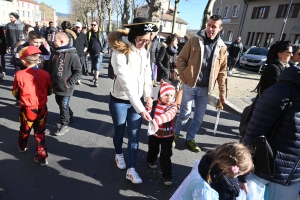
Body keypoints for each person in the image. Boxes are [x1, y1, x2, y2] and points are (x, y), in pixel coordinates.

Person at [108, 17, 157, 184]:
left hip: (138, 102)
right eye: (140, 39)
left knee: (134, 135)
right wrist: (141, 108)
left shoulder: (144, 51)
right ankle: (118, 153)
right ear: (133, 35)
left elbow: (147, 74)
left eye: (147, 40)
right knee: (120, 132)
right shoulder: (119, 52)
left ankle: (132, 169)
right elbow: (126, 83)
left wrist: (149, 95)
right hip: (119, 100)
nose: (143, 43)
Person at [243, 66, 300, 200]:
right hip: (265, 172)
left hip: (293, 179)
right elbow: (253, 134)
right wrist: (242, 173)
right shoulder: (281, 91)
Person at [172, 15, 227, 152]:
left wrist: (222, 93)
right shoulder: (194, 41)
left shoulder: (222, 48)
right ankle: (174, 134)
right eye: (209, 25)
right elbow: (181, 60)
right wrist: (185, 79)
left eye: (214, 26)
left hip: (204, 89)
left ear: (220, 28)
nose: (210, 28)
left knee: (198, 118)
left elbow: (222, 72)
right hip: (190, 86)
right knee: (184, 114)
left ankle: (190, 139)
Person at [12, 46, 53, 166]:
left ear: (24, 61)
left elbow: (15, 92)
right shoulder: (45, 74)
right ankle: (42, 155)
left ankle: (22, 145)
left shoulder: (19, 74)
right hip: (41, 107)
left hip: (27, 108)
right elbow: (50, 90)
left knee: (24, 129)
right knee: (40, 132)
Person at [182, 142, 253, 200]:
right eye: (239, 174)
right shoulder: (205, 191)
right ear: (227, 169)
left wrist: (242, 180)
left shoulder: (211, 164)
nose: (238, 177)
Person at [48, 32, 82, 136]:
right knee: (60, 103)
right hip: (56, 86)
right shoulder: (54, 54)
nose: (53, 42)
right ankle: (69, 115)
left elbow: (78, 71)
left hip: (66, 88)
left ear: (62, 41)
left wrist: (69, 82)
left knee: (63, 105)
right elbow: (49, 68)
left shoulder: (72, 55)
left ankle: (64, 124)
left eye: (55, 40)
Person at [146, 82, 177, 186]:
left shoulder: (172, 107)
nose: (169, 98)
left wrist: (157, 120)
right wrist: (149, 106)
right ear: (161, 94)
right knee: (153, 149)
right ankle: (151, 160)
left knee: (166, 156)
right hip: (154, 134)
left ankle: (167, 176)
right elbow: (147, 113)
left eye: (172, 95)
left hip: (167, 136)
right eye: (166, 95)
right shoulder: (155, 104)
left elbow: (168, 116)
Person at [87, 20, 108, 87]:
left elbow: (106, 42)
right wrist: (88, 50)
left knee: (97, 66)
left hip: (99, 53)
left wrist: (103, 51)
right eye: (92, 25)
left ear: (97, 25)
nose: (93, 26)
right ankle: (94, 76)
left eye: (94, 25)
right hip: (91, 53)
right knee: (94, 66)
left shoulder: (102, 33)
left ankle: (96, 80)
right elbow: (87, 42)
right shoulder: (89, 33)